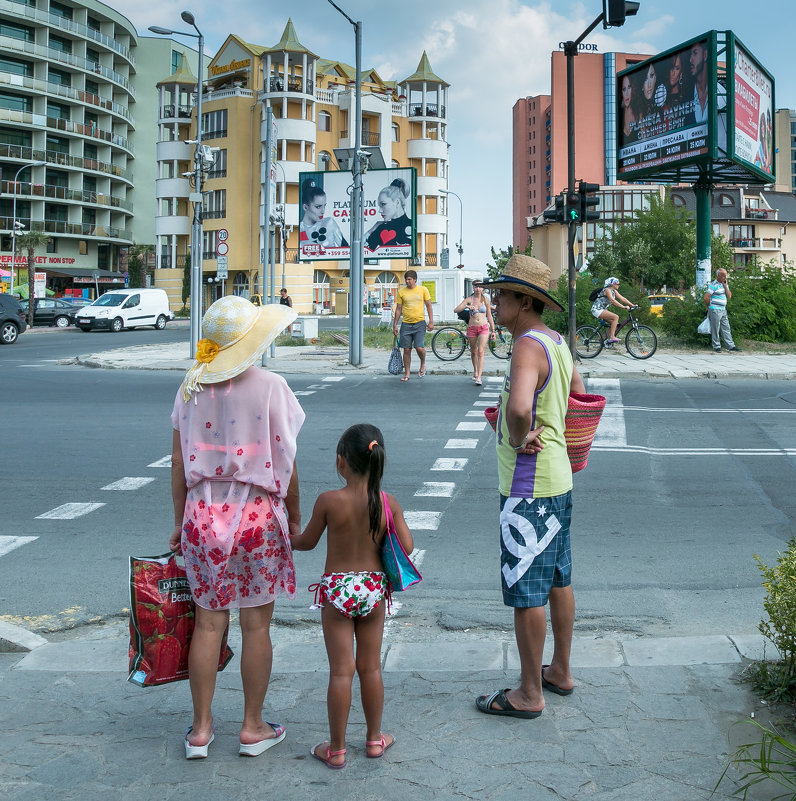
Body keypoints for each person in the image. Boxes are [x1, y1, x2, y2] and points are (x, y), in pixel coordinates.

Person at [169, 295, 305, 760]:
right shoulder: (271, 387)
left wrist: (177, 525)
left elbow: (177, 466)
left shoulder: (189, 387)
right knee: (256, 626)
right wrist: (296, 514)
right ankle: (252, 726)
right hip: (257, 515)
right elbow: (286, 462)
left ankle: (201, 731)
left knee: (207, 625)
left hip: (202, 517)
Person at [475, 254, 585, 719]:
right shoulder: (556, 341)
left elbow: (521, 407)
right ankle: (559, 670)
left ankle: (528, 693)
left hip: (529, 485)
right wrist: (547, 423)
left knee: (526, 590)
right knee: (559, 577)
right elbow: (578, 390)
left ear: (524, 301)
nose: (494, 300)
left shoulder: (525, 346)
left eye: (501, 294)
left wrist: (519, 435)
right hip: (557, 478)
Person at [290, 423, 414, 769]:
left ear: (341, 462)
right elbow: (406, 546)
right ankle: (374, 740)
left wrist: (290, 533)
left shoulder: (329, 501)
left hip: (337, 590)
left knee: (341, 672)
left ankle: (337, 749)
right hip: (373, 590)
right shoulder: (387, 502)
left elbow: (307, 542)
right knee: (371, 667)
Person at [453, 279, 496, 385]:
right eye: (476, 286)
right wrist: (467, 306)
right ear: (473, 288)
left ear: (482, 288)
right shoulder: (469, 299)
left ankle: (479, 377)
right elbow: (456, 310)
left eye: (480, 286)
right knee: (473, 351)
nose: (478, 288)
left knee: (481, 351)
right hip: (472, 328)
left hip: (484, 327)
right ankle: (475, 371)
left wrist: (493, 330)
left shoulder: (486, 300)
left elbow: (489, 315)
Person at [393, 269, 433, 381]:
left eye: (409, 279)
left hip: (420, 323)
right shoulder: (401, 292)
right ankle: (407, 373)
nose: (407, 281)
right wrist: (395, 325)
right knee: (406, 350)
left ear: (415, 280)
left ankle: (423, 363)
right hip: (406, 324)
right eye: (406, 279)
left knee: (419, 347)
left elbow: (429, 305)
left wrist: (431, 321)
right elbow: (398, 309)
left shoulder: (423, 290)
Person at [299, 179, 348, 252]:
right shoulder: (301, 229)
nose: (323, 211)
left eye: (324, 206)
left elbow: (347, 250)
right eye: (318, 207)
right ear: (305, 207)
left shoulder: (329, 223)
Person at [365, 179, 412, 251]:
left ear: (397, 202)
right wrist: (370, 231)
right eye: (379, 206)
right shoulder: (380, 228)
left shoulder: (413, 226)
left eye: (383, 204)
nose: (380, 210)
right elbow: (357, 252)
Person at [704, 268, 742, 353]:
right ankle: (716, 346)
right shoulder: (714, 284)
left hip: (723, 309)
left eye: (726, 275)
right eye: (723, 275)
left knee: (726, 327)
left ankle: (730, 345)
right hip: (715, 309)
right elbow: (706, 297)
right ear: (719, 276)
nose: (725, 277)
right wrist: (708, 306)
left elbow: (729, 296)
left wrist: (725, 287)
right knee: (715, 328)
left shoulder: (724, 284)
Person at [590, 277, 635, 345]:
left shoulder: (614, 291)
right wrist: (624, 307)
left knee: (614, 324)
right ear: (612, 284)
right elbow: (613, 301)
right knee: (615, 317)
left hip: (602, 310)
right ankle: (612, 337)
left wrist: (633, 305)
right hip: (597, 309)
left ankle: (602, 339)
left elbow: (623, 299)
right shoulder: (607, 290)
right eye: (617, 284)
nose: (619, 285)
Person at [689, 41, 709, 124]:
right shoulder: (686, 98)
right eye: (690, 55)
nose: (690, 60)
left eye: (695, 53)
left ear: (705, 55)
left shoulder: (721, 94)